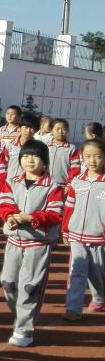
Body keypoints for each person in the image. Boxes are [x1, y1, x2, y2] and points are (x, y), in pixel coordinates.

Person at [0, 140, 64, 347]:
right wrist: (10, 216)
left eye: (35, 156)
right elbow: (4, 202)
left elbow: (55, 214)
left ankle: (24, 330)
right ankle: (21, 318)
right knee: (8, 284)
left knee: (29, 288)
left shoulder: (53, 187)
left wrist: (30, 218)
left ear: (45, 162)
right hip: (14, 242)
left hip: (37, 244)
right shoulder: (12, 181)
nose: (29, 160)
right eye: (25, 156)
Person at [62, 138, 105, 322]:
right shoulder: (76, 181)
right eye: (88, 156)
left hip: (99, 237)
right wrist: (66, 229)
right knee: (77, 271)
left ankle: (99, 298)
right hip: (76, 235)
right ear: (82, 157)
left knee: (98, 272)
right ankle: (73, 307)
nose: (92, 160)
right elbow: (69, 207)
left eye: (97, 156)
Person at [3, 114, 39, 181]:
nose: (28, 131)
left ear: (36, 130)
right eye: (26, 127)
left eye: (32, 128)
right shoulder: (10, 145)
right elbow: (3, 165)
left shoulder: (38, 148)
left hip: (27, 183)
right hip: (9, 182)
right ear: (19, 128)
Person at [47, 118, 81, 186]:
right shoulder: (45, 146)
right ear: (51, 131)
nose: (60, 132)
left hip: (63, 185)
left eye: (64, 129)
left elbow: (75, 168)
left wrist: (69, 184)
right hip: (45, 184)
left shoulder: (71, 148)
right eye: (57, 129)